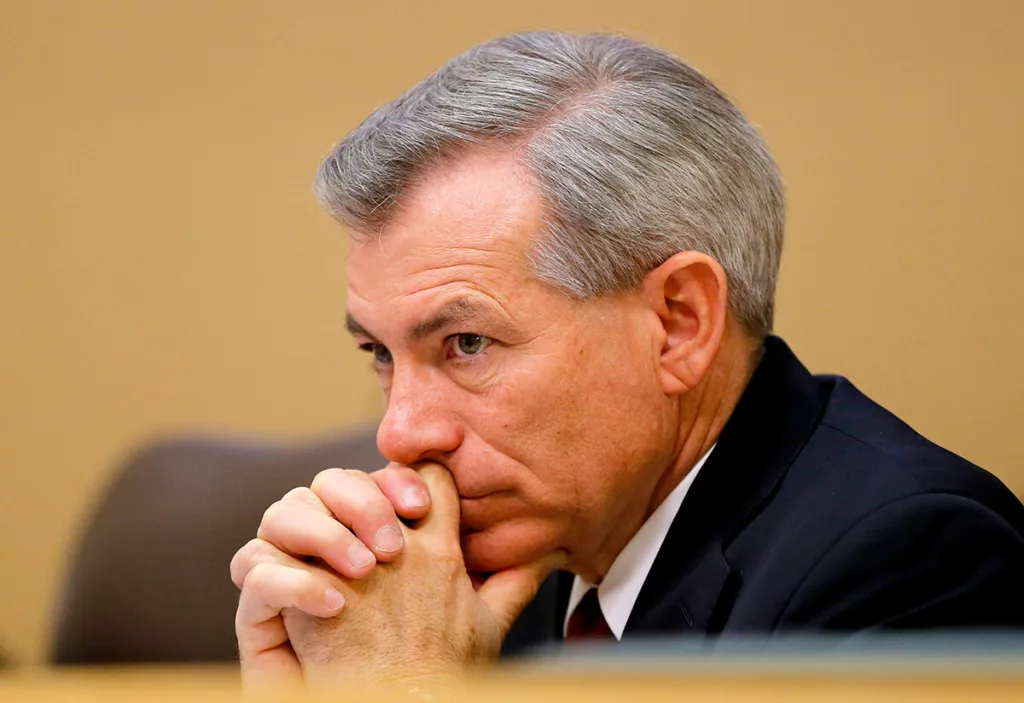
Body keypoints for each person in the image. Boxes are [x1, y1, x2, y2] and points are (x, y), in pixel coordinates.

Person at [229, 31, 1024, 690]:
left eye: (466, 343)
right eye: (379, 353)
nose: (400, 434)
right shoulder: (485, 571)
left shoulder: (906, 562)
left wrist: (411, 692)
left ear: (679, 323)